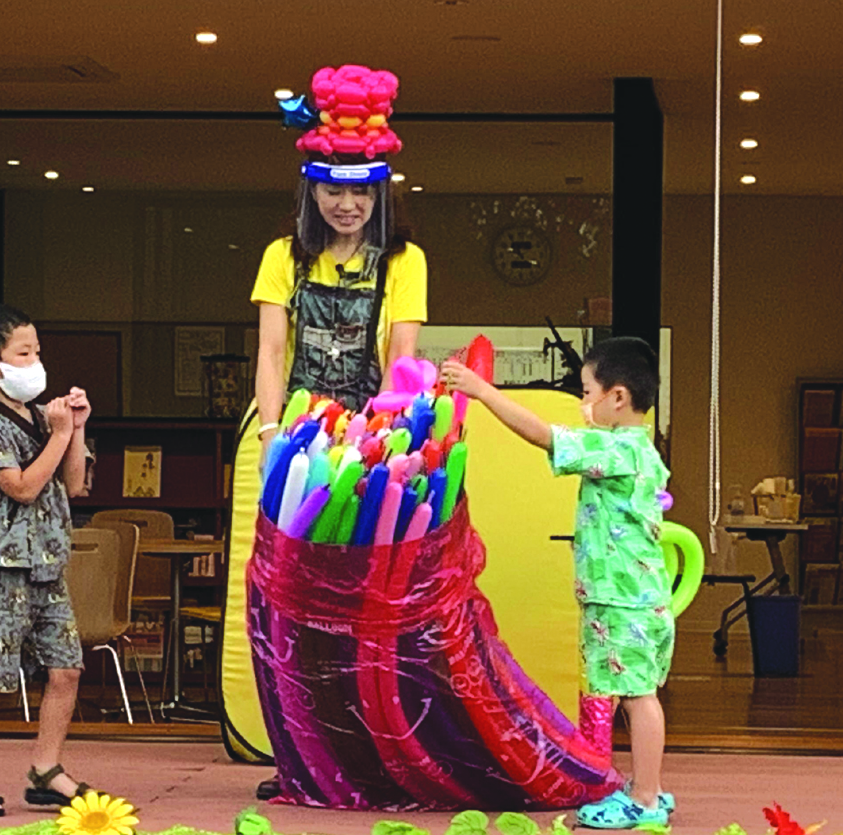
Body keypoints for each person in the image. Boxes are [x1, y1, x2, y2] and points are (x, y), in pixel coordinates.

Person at [442, 337, 675, 829]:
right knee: (639, 692)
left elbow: (543, 434)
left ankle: (648, 800)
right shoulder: (642, 450)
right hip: (636, 598)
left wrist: (483, 391)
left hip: (621, 600)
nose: (583, 402)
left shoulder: (615, 447)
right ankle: (645, 789)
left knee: (638, 696)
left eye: (588, 391)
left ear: (618, 397)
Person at [0, 304, 95, 817]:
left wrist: (74, 429)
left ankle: (46, 767)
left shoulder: (42, 416)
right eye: (24, 353)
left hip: (48, 562)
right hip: (2, 563)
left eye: (38, 351)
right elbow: (23, 487)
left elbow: (74, 484)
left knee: (66, 669)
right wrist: (58, 436)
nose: (36, 362)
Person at [251, 65, 427, 467]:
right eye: (333, 191)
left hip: (374, 431)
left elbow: (401, 356)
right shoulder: (281, 256)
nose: (347, 206)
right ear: (312, 191)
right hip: (295, 434)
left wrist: (379, 437)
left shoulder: (405, 260)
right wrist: (270, 434)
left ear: (380, 194)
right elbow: (271, 352)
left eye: (361, 192)